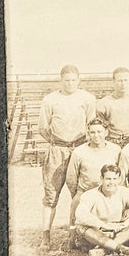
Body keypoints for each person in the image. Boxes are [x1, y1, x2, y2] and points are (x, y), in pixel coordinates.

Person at [38, 65, 96, 246]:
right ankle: (46, 236)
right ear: (60, 80)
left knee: (81, 193)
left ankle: (78, 234)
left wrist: (77, 146)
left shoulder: (87, 98)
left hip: (79, 149)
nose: (70, 83)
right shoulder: (50, 100)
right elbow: (43, 128)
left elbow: (91, 124)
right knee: (51, 194)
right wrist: (59, 143)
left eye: (73, 80)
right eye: (66, 80)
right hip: (57, 150)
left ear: (79, 80)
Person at [72, 164, 129, 256]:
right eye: (108, 179)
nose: (111, 182)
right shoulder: (90, 195)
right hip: (98, 231)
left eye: (114, 179)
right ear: (101, 179)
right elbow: (81, 213)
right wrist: (103, 225)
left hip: (118, 231)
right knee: (81, 226)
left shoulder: (125, 192)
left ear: (118, 180)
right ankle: (123, 249)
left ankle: (104, 250)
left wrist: (127, 222)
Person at [63, 118, 121, 223]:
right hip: (86, 192)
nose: (96, 135)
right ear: (88, 133)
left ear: (106, 132)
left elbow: (120, 173)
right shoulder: (79, 152)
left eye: (99, 132)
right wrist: (79, 193)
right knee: (77, 213)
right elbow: (71, 178)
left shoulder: (115, 149)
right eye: (92, 132)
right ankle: (73, 231)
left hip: (108, 192)